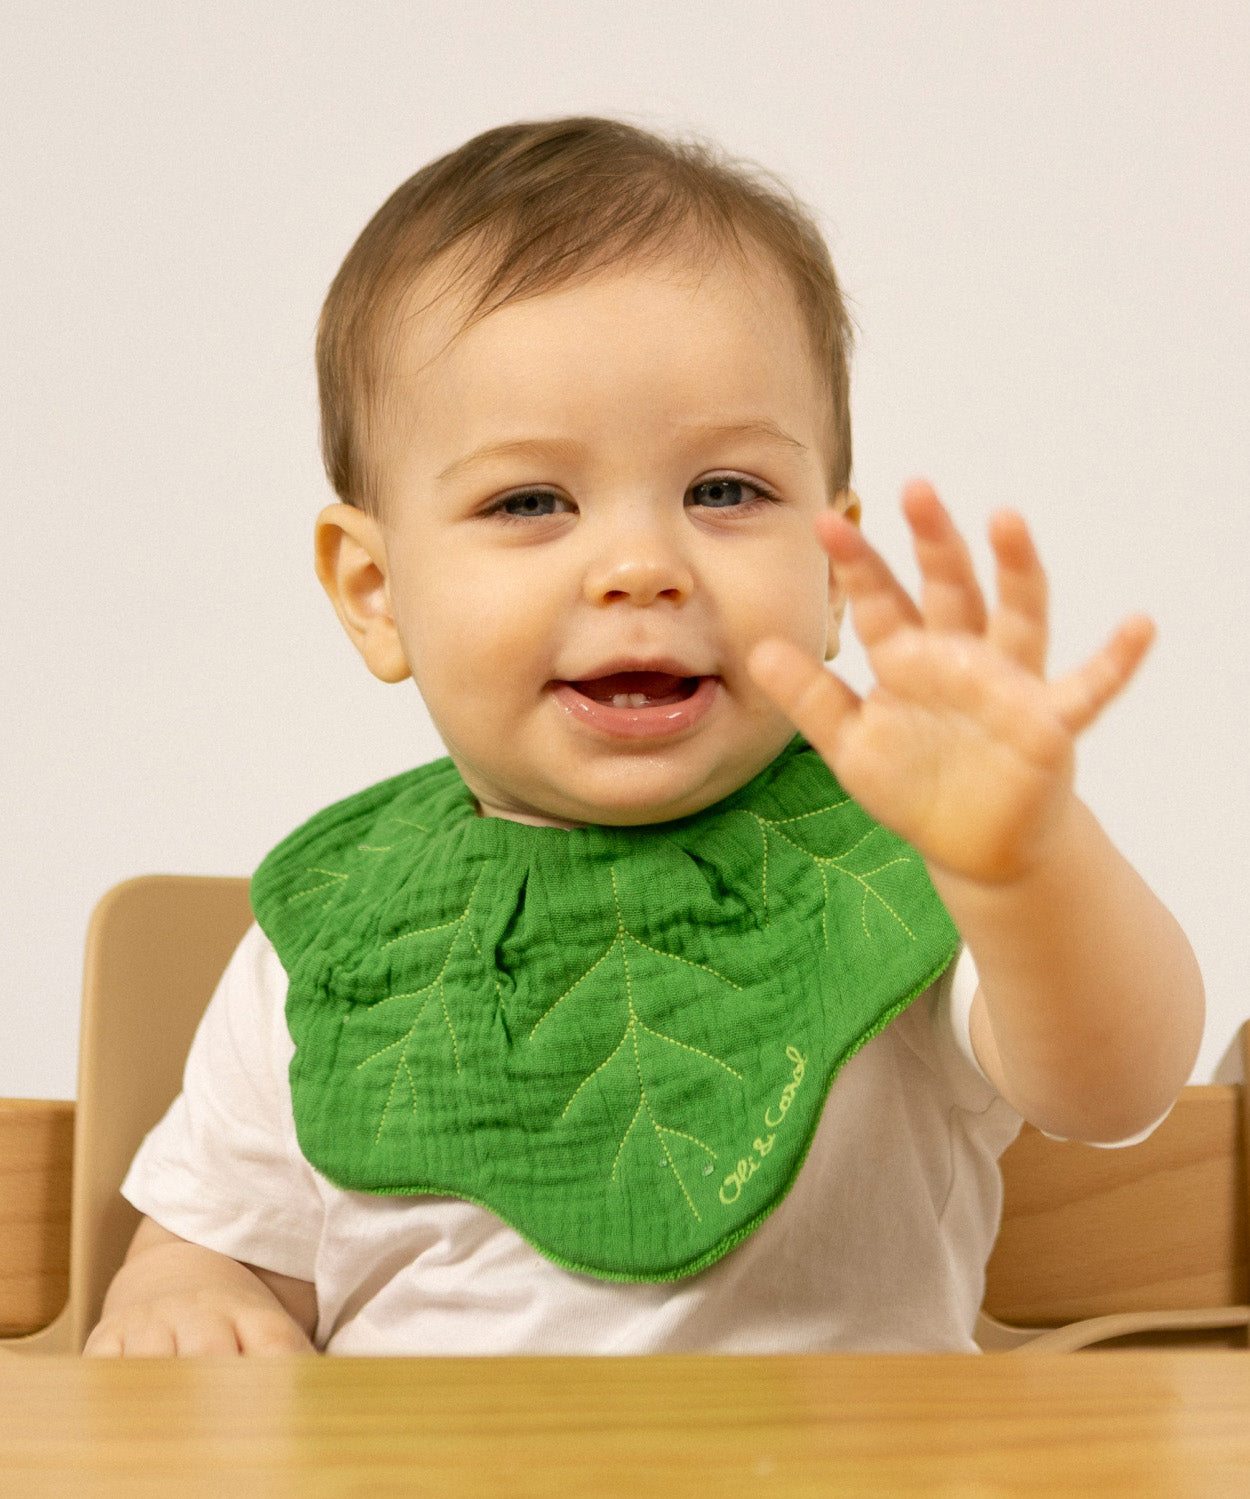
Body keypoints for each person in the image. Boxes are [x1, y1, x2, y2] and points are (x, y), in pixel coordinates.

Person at [85, 117, 1204, 1357]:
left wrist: (1026, 865)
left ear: (832, 567)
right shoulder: (331, 937)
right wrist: (189, 1287)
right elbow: (218, 1239)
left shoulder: (901, 853)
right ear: (373, 587)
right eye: (528, 500)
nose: (638, 565)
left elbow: (1114, 1086)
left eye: (724, 491)